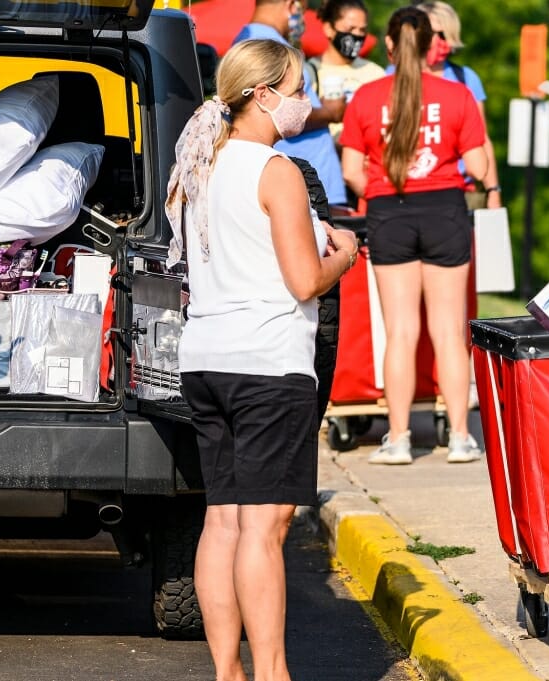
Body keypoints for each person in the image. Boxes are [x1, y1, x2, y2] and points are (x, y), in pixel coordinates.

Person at [166, 39, 358, 681]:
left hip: (206, 356)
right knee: (264, 526)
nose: (305, 102)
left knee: (221, 518)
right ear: (265, 94)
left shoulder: (197, 166)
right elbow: (305, 281)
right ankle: (272, 670)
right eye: (298, 89)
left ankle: (228, 671)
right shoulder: (274, 169)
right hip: (268, 359)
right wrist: (346, 252)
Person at [340, 7, 488, 465]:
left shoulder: (365, 96)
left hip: (389, 213)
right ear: (431, 47)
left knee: (401, 331)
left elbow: (351, 172)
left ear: (387, 46)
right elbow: (480, 169)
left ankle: (399, 438)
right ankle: (461, 438)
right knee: (448, 331)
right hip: (445, 210)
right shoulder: (457, 94)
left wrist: (387, 192)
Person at [231, 0, 349, 208]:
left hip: (310, 181)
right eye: (303, 10)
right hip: (302, 186)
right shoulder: (265, 45)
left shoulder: (260, 40)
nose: (303, 100)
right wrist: (330, 112)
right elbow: (281, 109)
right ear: (291, 5)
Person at [415, 1, 502, 209]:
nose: (440, 41)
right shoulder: (394, 77)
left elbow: (482, 140)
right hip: (411, 189)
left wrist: (493, 191)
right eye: (435, 33)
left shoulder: (465, 78)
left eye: (445, 35)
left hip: (460, 190)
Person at [308, 0, 386, 146]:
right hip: (329, 160)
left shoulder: (376, 72)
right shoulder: (310, 72)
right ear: (328, 29)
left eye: (362, 30)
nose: (357, 35)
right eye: (350, 29)